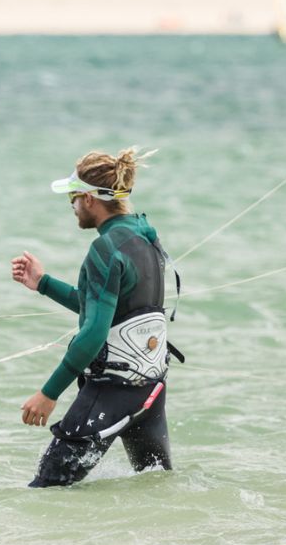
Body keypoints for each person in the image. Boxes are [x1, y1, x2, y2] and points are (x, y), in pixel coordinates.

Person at [11, 147, 177, 487]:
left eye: (73, 198)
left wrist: (49, 393)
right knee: (156, 487)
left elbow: (93, 333)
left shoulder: (105, 248)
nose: (71, 207)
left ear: (89, 199)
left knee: (46, 491)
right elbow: (110, 312)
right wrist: (42, 283)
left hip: (111, 392)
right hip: (150, 391)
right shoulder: (145, 236)